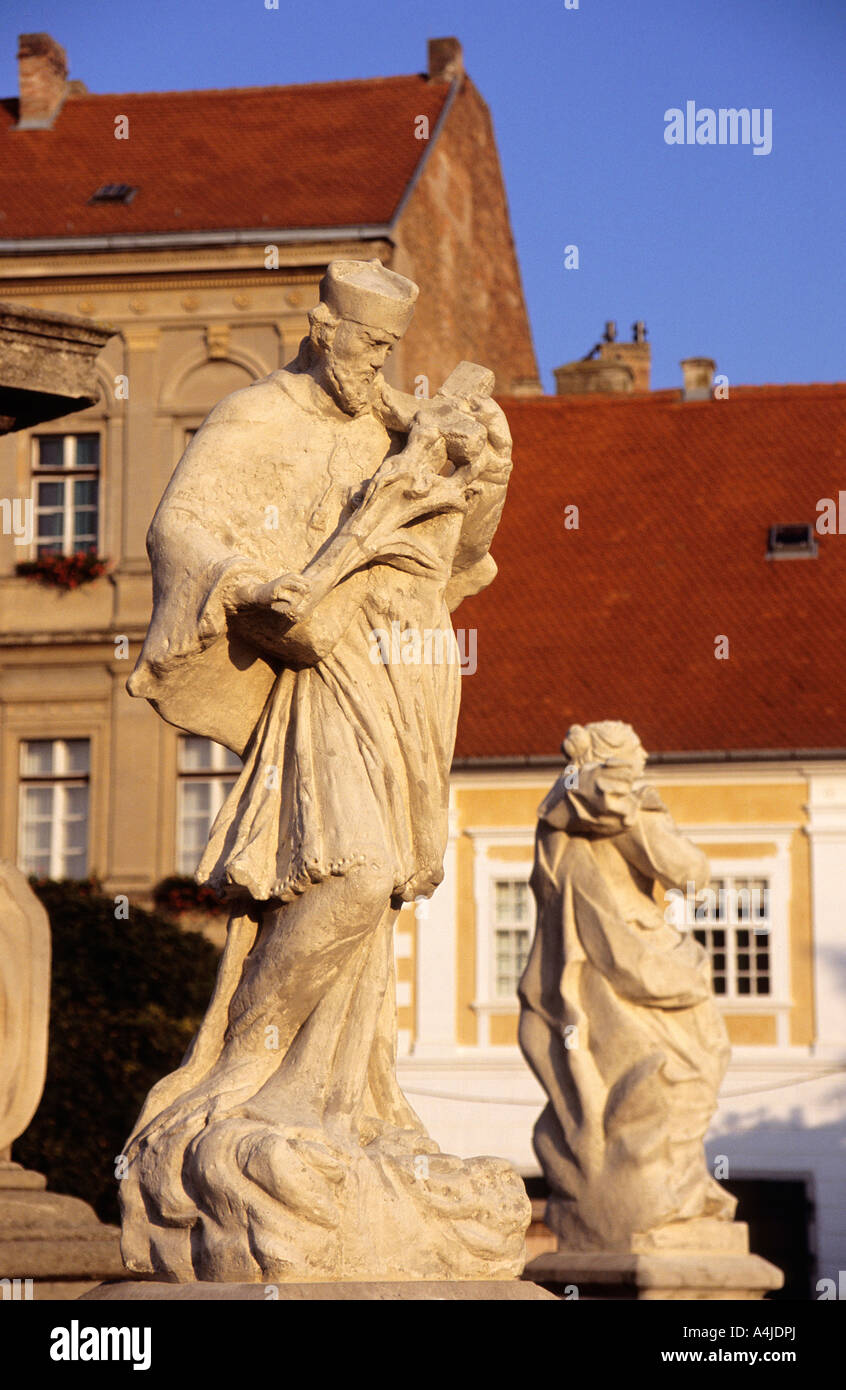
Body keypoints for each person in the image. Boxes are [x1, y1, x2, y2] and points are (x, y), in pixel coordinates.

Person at [120, 259, 529, 1282]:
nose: (381, 366)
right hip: (326, 670)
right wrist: (246, 578)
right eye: (367, 345)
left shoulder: (398, 424)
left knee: (380, 888)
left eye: (394, 350)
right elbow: (178, 523)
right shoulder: (260, 414)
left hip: (414, 669)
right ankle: (243, 1075)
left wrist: (490, 470)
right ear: (320, 327)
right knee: (345, 868)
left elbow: (463, 542)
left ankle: (335, 1101)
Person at [519, 720, 736, 1250]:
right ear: (617, 765)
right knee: (695, 1060)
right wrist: (644, 808)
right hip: (629, 970)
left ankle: (664, 1196)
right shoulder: (612, 801)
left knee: (626, 1092)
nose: (640, 770)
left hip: (578, 979)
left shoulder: (559, 808)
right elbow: (688, 874)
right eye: (634, 762)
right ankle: (665, 1202)